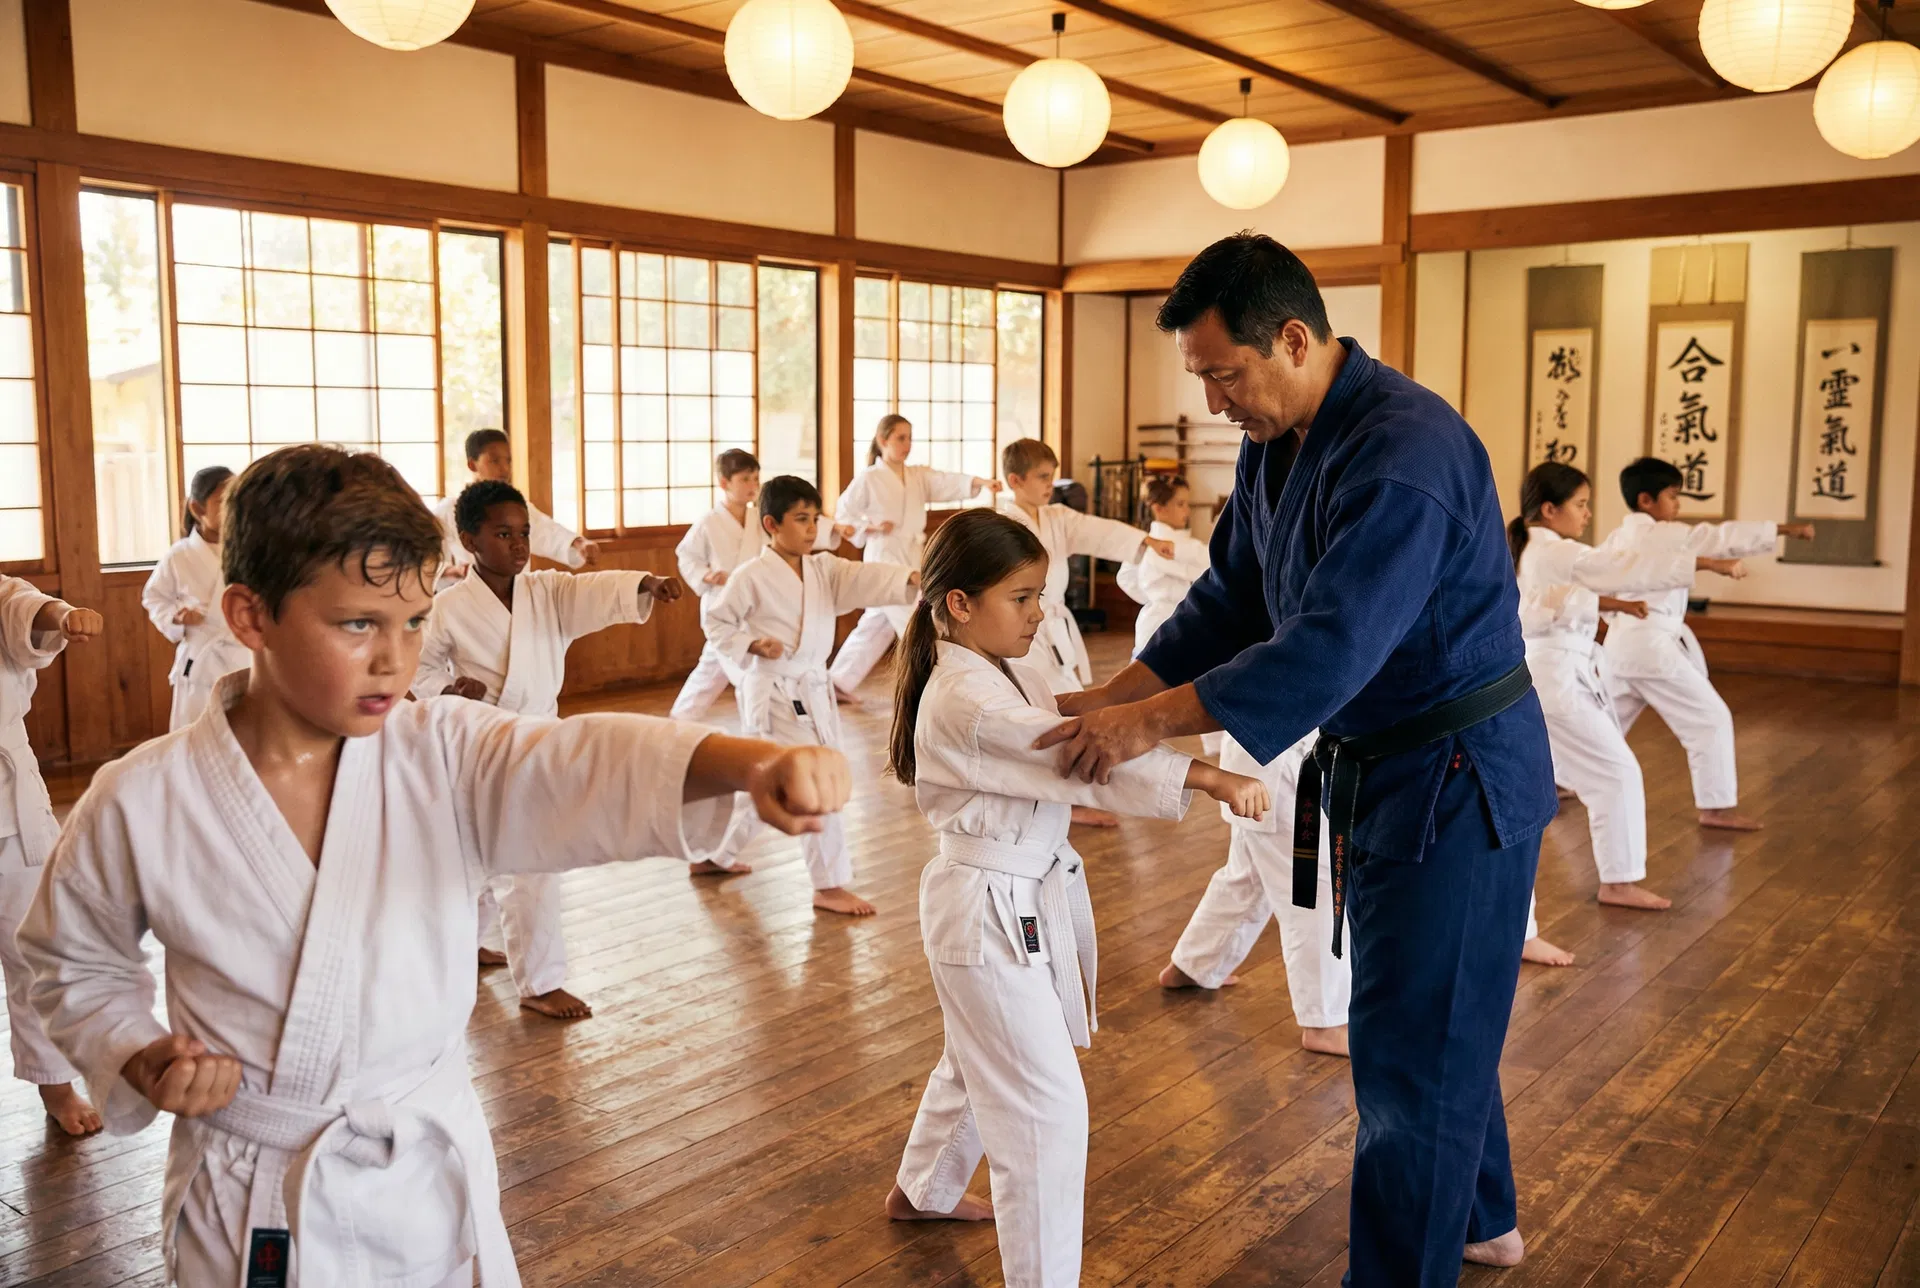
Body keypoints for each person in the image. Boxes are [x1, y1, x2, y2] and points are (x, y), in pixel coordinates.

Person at [18, 444, 849, 1287]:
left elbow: (571, 761)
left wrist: (737, 761)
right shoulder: (144, 796)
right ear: (249, 615)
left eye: (413, 622)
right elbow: (72, 961)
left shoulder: (439, 750)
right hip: (257, 1186)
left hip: (428, 1164)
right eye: (357, 625)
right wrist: (138, 1052)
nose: (394, 659)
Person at [1033, 233, 1558, 1286]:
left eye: (1225, 375)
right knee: (1427, 1009)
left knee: (1409, 1046)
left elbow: (1328, 644)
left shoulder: (1405, 450)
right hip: (1385, 761)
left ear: (1293, 336)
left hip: (1457, 776)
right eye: (1205, 380)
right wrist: (1118, 693)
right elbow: (1231, 600)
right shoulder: (1283, 438)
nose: (1219, 403)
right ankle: (1485, 1217)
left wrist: (1144, 730)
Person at [883, 508, 1265, 1287]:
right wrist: (1206, 774)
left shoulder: (999, 670)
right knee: (1041, 1114)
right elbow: (1065, 754)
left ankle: (923, 1188)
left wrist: (1176, 700)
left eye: (1040, 595)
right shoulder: (965, 696)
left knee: (978, 1055)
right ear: (959, 603)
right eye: (1022, 598)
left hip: (1003, 895)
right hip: (985, 904)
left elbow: (1069, 715)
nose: (1040, 612)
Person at [411, 479, 685, 1020]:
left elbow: (593, 590)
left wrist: (644, 583)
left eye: (524, 533)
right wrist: (446, 689)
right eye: (503, 533)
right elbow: (419, 666)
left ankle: (519, 968)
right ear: (469, 541)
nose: (518, 544)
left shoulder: (546, 591)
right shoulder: (447, 607)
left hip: (537, 738)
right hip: (478, 742)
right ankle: (519, 972)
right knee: (495, 860)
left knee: (524, 860)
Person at [1512, 462, 1751, 934]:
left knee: (1588, 774)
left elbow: (1571, 596)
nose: (1587, 514)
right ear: (1549, 509)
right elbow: (1621, 568)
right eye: (1580, 504)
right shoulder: (1553, 550)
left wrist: (1617, 603)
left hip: (1554, 674)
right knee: (1616, 773)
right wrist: (1706, 562)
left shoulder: (1540, 549)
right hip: (1556, 677)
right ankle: (1617, 883)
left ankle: (1605, 880)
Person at [704, 475, 920, 916]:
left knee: (771, 780)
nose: (810, 528)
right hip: (776, 690)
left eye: (814, 518)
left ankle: (718, 853)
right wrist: (751, 644)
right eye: (800, 519)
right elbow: (718, 622)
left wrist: (910, 578)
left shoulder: (823, 568)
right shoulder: (750, 576)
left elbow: (864, 577)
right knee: (814, 781)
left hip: (812, 689)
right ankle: (829, 884)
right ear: (771, 523)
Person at [1599, 456, 1814, 832]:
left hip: (1619, 645)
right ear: (1646, 500)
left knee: (1601, 725)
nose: (1677, 504)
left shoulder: (1617, 537)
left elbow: (1603, 582)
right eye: (1671, 495)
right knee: (1709, 719)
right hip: (1650, 647)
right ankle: (1715, 808)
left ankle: (1562, 781)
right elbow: (1722, 537)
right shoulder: (1666, 534)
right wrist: (1786, 529)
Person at [1159, 731, 1351, 1056]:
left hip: (1259, 763)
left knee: (1247, 877)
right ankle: (1324, 1023)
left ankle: (1194, 965)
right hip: (1284, 769)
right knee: (1313, 890)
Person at [0, 579, 103, 1136]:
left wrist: (60, 615)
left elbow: (23, 610)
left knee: (36, 947)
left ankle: (55, 1082)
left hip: (7, 805)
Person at [671, 449, 852, 722]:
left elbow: (797, 521)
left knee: (712, 670)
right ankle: (683, 720)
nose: (753, 485)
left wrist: (834, 529)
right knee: (720, 670)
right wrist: (705, 575)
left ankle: (681, 718)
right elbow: (687, 556)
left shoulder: (761, 517)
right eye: (745, 479)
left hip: (756, 604)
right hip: (725, 602)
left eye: (756, 478)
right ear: (724, 483)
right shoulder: (708, 522)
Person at [828, 414, 997, 700]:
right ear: (883, 440)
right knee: (915, 619)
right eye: (900, 438)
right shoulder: (869, 478)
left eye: (909, 437)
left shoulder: (916, 475)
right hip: (884, 554)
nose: (907, 444)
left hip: (911, 554)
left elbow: (942, 481)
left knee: (877, 623)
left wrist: (977, 481)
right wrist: (870, 527)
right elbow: (843, 515)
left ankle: (837, 681)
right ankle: (932, 682)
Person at [996, 438, 1174, 697]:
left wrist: (1145, 539)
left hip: (1052, 622)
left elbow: (1097, 530)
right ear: (1015, 481)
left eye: (1052, 476)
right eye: (1042, 477)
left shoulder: (1056, 517)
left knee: (1061, 691)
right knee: (1032, 692)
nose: (1050, 484)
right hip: (1018, 624)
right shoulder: (1002, 527)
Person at [143, 465, 249, 730]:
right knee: (195, 735)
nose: (231, 508)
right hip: (202, 658)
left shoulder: (248, 550)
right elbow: (154, 598)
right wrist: (176, 618)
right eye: (222, 501)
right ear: (197, 509)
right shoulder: (179, 556)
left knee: (243, 734)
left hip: (243, 655)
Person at [433, 428, 597, 588]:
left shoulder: (516, 508)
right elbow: (422, 557)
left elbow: (548, 531)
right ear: (472, 464)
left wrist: (579, 543)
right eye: (495, 460)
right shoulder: (448, 510)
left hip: (515, 597)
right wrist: (453, 571)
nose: (504, 469)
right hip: (467, 599)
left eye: (508, 461)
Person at [1115, 474, 1212, 660]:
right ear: (1159, 509)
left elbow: (1125, 577)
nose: (1187, 510)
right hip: (1163, 622)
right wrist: (1159, 600)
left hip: (1159, 620)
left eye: (1187, 504)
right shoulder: (1163, 546)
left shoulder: (1162, 543)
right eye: (1180, 504)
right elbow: (1210, 560)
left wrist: (1151, 597)